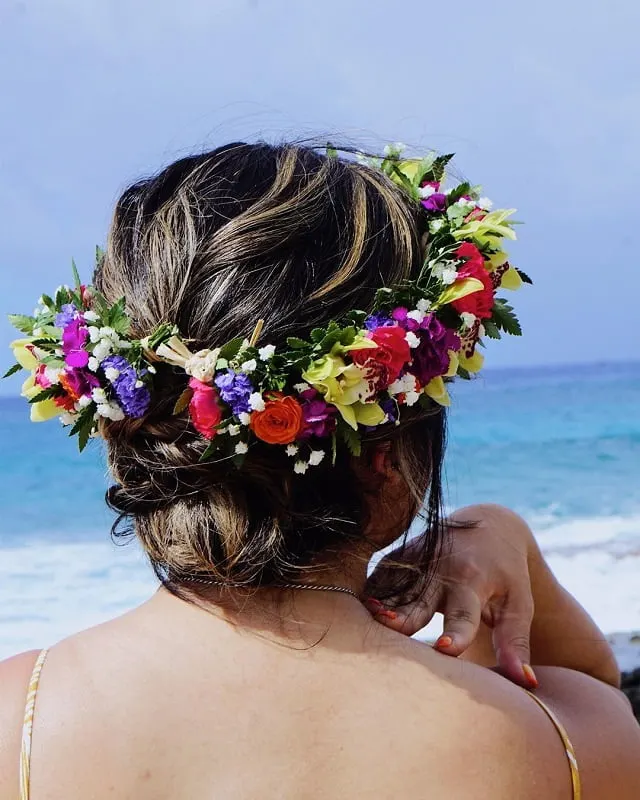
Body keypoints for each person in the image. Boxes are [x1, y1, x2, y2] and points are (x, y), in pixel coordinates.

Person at [1, 142, 639, 799]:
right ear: (388, 454)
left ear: (125, 419)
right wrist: (510, 540)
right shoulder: (560, 747)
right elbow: (597, 687)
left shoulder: (17, 726)